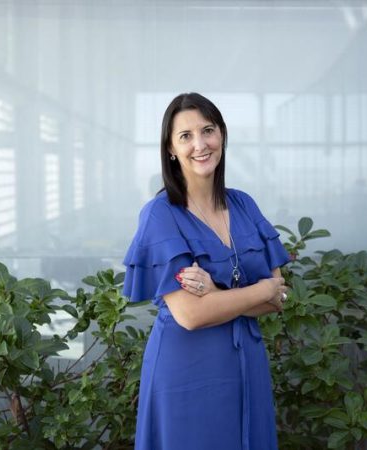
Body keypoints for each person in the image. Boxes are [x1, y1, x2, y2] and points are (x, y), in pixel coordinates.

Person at [123, 92, 290, 450]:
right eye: (185, 136)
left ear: (222, 135)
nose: (200, 144)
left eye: (208, 130)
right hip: (186, 372)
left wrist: (218, 295)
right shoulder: (160, 214)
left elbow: (279, 298)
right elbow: (191, 315)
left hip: (247, 364)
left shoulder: (244, 204)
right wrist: (261, 289)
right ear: (171, 149)